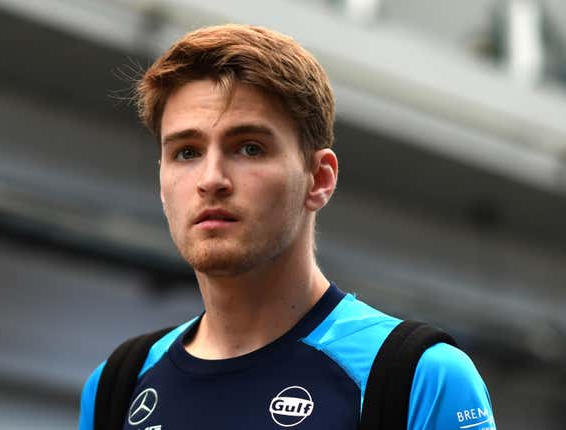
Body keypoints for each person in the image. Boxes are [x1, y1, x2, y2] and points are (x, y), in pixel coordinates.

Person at [78, 24, 496, 430]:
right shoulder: (117, 386)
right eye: (187, 152)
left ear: (319, 179)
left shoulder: (420, 377)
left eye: (250, 147)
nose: (211, 179)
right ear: (162, 182)